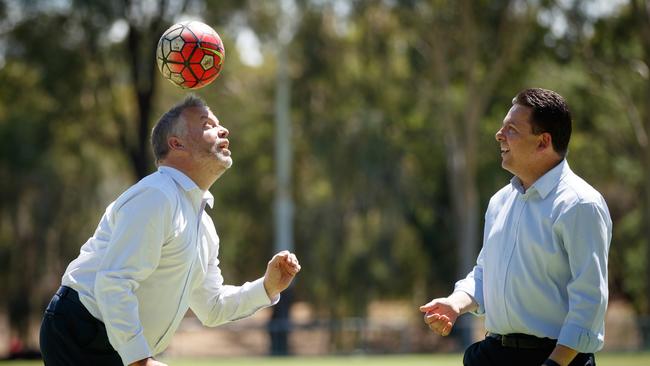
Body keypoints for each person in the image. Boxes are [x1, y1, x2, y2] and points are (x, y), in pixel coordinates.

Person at [39, 95, 301, 366]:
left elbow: (212, 307)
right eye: (207, 124)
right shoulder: (156, 195)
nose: (223, 130)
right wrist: (140, 360)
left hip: (118, 343)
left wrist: (267, 287)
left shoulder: (205, 228)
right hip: (82, 333)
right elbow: (114, 283)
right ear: (176, 144)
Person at [420, 88, 611, 366]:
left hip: (556, 360)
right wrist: (455, 303)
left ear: (543, 142)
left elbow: (590, 299)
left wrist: (556, 364)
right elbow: (486, 273)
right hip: (492, 354)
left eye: (511, 129)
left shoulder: (581, 204)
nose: (499, 135)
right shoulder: (500, 201)